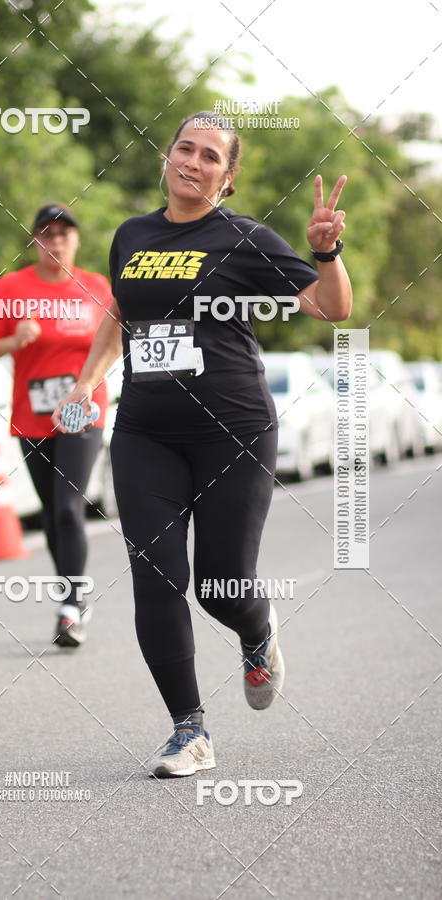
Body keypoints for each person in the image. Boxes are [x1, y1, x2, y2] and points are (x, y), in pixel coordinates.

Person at [52, 111, 352, 776]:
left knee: (220, 587)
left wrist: (327, 253)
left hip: (233, 431)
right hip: (146, 431)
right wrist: (87, 382)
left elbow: (331, 308)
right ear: (167, 157)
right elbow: (120, 318)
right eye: (185, 148)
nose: (194, 160)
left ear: (229, 176)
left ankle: (256, 630)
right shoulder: (132, 235)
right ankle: (189, 731)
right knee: (156, 579)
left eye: (210, 155)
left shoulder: (243, 238)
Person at [0, 203, 113, 648]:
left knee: (70, 507)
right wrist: (14, 340)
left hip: (82, 411)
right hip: (32, 415)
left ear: (77, 241)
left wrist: (87, 384)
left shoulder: (96, 287)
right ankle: (74, 592)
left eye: (64, 234)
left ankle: (70, 608)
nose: (55, 242)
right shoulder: (13, 287)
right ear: (35, 241)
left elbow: (117, 341)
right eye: (46, 234)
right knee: (52, 513)